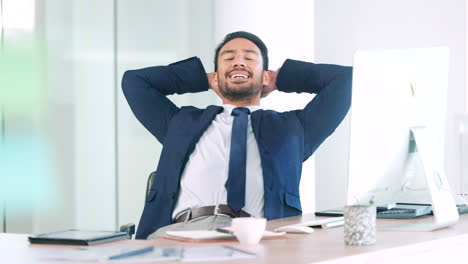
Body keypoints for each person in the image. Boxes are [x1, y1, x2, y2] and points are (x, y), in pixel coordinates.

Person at [122, 31, 352, 239]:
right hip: (183, 233)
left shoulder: (293, 129)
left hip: (258, 236)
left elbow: (345, 80)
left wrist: (281, 78)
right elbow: (135, 82)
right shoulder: (180, 123)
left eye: (250, 58)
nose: (239, 62)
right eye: (228, 58)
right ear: (216, 76)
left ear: (264, 75)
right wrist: (201, 78)